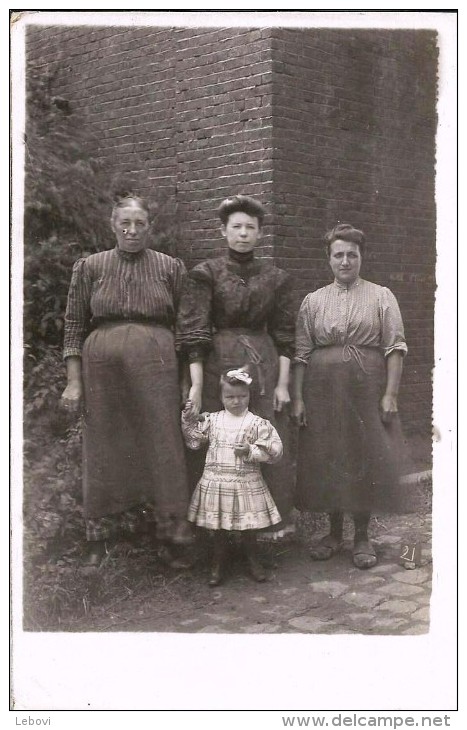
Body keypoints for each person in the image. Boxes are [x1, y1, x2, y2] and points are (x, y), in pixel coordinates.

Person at [60, 191, 192, 566]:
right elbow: (73, 325)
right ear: (113, 226)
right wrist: (74, 380)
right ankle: (102, 538)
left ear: (150, 227)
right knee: (104, 443)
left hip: (158, 362)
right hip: (101, 365)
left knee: (163, 444)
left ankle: (171, 536)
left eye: (140, 224)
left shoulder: (170, 267)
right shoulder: (91, 267)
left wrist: (186, 379)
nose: (132, 231)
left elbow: (185, 328)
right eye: (125, 224)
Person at [175, 194, 296, 537]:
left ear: (260, 234)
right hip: (219, 366)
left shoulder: (277, 278)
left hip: (264, 366)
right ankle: (218, 530)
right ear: (224, 231)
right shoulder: (205, 274)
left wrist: (282, 384)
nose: (243, 234)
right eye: (236, 227)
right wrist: (197, 386)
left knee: (262, 435)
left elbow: (286, 334)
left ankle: (265, 529)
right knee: (220, 440)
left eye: (250, 228)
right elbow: (194, 331)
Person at [292, 223, 410, 569]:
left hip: (365, 390)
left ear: (361, 257)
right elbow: (300, 353)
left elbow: (395, 347)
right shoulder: (312, 302)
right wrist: (298, 398)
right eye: (338, 255)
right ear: (328, 259)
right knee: (329, 456)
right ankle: (332, 534)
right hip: (323, 390)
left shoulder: (381, 296)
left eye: (352, 255)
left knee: (363, 457)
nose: (345, 261)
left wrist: (391, 393)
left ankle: (361, 536)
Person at [182, 369, 283, 585]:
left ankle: (253, 560)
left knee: (248, 530)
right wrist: (189, 419)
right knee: (219, 530)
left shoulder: (256, 423)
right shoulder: (213, 420)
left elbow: (275, 450)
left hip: (245, 484)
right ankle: (218, 564)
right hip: (218, 483)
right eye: (230, 397)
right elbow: (194, 441)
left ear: (249, 396)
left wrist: (250, 450)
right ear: (221, 397)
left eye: (242, 396)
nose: (236, 401)